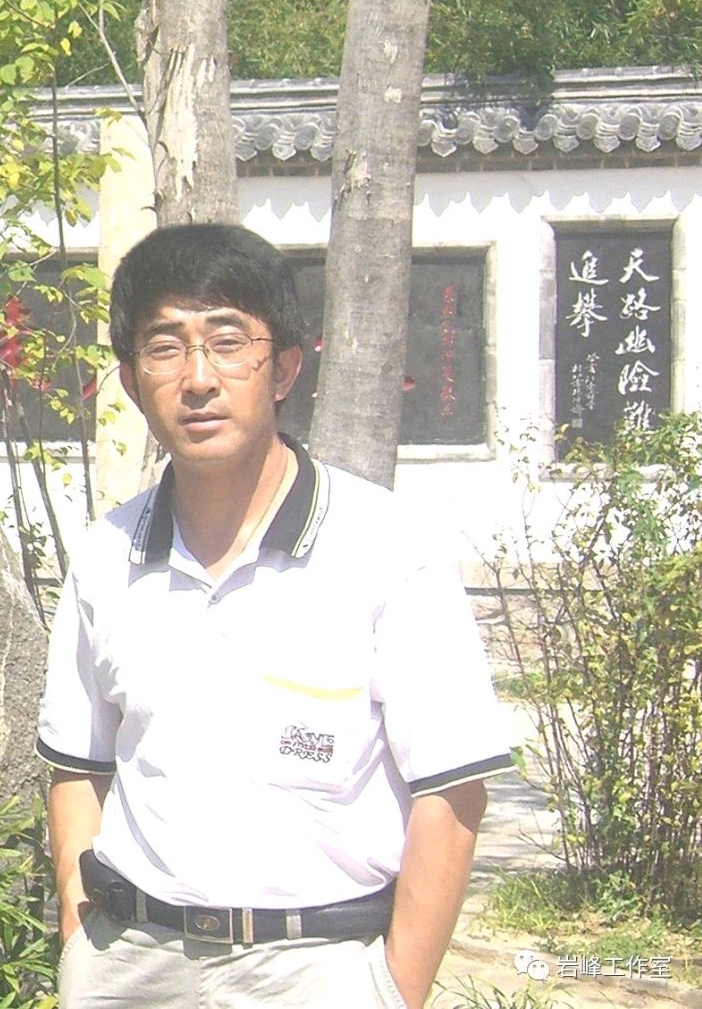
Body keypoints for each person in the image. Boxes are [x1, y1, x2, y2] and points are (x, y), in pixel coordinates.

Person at [36, 223, 512, 1009]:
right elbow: (78, 767)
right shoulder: (105, 557)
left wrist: (393, 993)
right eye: (165, 348)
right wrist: (81, 938)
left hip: (319, 966)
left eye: (229, 343)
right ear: (130, 380)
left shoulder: (390, 549)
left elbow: (452, 794)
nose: (198, 379)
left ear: (284, 367)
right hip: (131, 964)